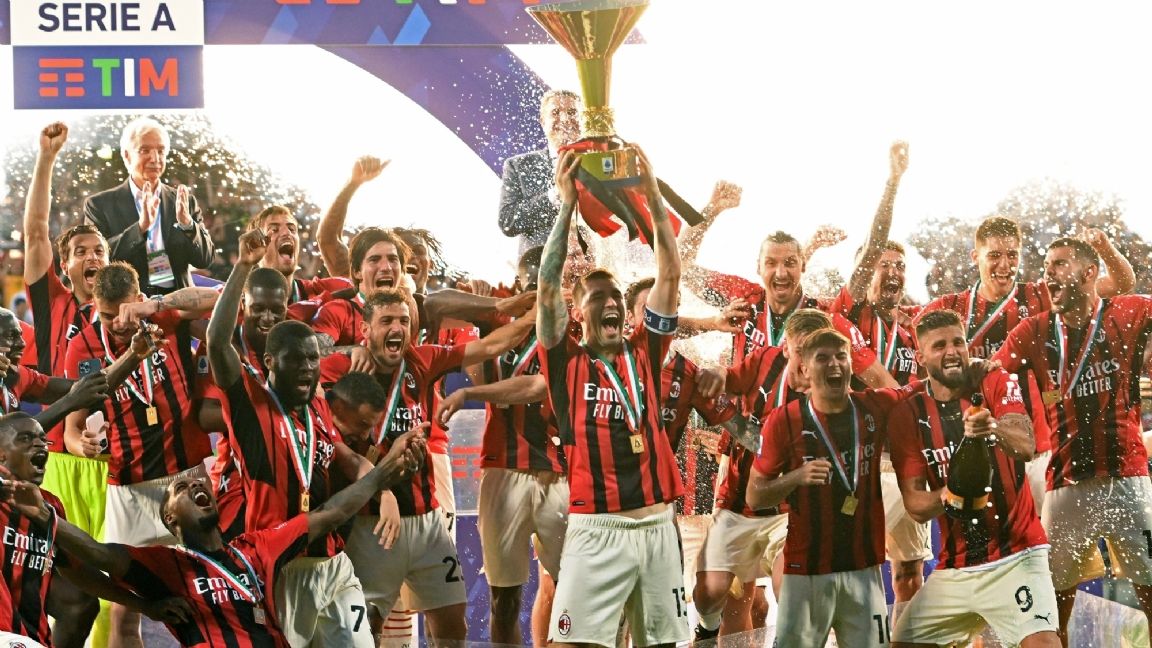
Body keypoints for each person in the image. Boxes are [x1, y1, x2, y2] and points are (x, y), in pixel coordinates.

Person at [2, 425, 427, 648]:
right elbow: (98, 554)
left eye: (198, 482)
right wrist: (44, 516)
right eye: (181, 489)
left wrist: (383, 474)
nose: (194, 484)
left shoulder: (256, 548)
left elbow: (329, 513)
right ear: (170, 519)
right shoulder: (169, 564)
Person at [208, 231, 401, 647]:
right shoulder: (252, 407)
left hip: (331, 562)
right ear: (270, 362)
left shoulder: (316, 405)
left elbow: (345, 457)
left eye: (313, 359)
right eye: (295, 360)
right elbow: (217, 342)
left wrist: (383, 489)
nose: (306, 368)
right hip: (279, 568)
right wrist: (242, 267)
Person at [318, 284, 537, 644]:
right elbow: (333, 441)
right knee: (366, 628)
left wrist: (533, 316)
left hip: (428, 521)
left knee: (453, 625)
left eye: (404, 321)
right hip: (372, 524)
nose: (397, 328)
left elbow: (490, 347)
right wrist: (378, 487)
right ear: (366, 329)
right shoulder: (341, 368)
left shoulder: (422, 360)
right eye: (387, 320)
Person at [536, 144, 690, 647]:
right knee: (572, 644)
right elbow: (546, 287)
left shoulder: (646, 348)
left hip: (657, 525)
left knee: (662, 644)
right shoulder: (565, 362)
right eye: (596, 296)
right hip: (595, 529)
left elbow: (670, 272)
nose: (611, 303)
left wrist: (651, 192)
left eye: (616, 297)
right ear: (577, 313)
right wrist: (566, 206)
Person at [992, 238, 1152, 645]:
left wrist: (1107, 247)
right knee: (1051, 604)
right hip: (1065, 482)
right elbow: (992, 374)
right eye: (1047, 264)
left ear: (1089, 273)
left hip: (1128, 478)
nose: (1048, 273)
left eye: (1059, 264)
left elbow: (1127, 279)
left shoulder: (1128, 312)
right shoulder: (1034, 330)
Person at [920, 218, 1134, 511]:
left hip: (1036, 450)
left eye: (1012, 255)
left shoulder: (1040, 295)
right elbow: (921, 361)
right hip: (973, 447)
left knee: (1043, 535)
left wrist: (1103, 247)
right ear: (975, 257)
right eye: (995, 255)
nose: (1005, 265)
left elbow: (1122, 284)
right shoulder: (948, 308)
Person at [62, 262, 218, 645]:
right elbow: (71, 429)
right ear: (94, 307)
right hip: (128, 487)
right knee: (126, 607)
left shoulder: (163, 316)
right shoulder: (83, 346)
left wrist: (156, 305)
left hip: (187, 477)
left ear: (139, 299)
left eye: (125, 312)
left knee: (207, 588)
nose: (118, 324)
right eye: (107, 316)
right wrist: (81, 445)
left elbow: (216, 299)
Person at [887, 309, 1059, 647]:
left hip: (1017, 557)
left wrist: (992, 428)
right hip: (955, 568)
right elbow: (916, 506)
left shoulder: (993, 381)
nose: (952, 352)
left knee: (1043, 644)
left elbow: (1025, 446)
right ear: (920, 358)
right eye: (939, 346)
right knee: (903, 643)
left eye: (958, 343)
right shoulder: (908, 412)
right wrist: (953, 493)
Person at [747, 329, 917, 647]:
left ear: (851, 364)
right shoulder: (784, 420)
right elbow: (755, 495)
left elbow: (921, 388)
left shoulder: (874, 405)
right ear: (805, 369)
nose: (834, 364)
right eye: (822, 358)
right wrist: (795, 477)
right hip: (805, 573)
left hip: (863, 570)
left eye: (841, 356)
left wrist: (974, 368)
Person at [829, 142, 931, 616]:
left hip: (904, 463)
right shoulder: (849, 314)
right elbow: (884, 383)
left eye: (899, 267)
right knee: (855, 566)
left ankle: (906, 640)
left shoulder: (913, 331)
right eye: (882, 265)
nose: (891, 272)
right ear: (865, 273)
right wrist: (893, 182)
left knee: (909, 569)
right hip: (860, 462)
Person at [0, 413, 195, 648]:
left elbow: (80, 572)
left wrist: (145, 606)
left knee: (81, 602)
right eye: (25, 438)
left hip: (31, 638)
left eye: (43, 439)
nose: (40, 444)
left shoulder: (50, 504)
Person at [83, 117, 215, 295]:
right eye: (145, 150)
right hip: (127, 304)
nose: (155, 158)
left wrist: (188, 226)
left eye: (161, 151)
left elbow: (205, 260)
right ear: (127, 155)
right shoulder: (99, 205)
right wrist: (140, 228)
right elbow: (98, 259)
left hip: (179, 303)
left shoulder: (184, 201)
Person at [498, 89, 584, 257]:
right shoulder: (518, 166)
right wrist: (555, 196)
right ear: (543, 122)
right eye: (555, 112)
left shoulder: (602, 161)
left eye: (572, 112)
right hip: (540, 266)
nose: (565, 119)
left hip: (593, 266)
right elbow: (507, 222)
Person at [246, 205, 353, 304]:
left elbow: (329, 239)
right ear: (255, 247)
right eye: (274, 230)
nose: (287, 233)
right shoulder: (241, 306)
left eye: (292, 229)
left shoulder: (319, 291)